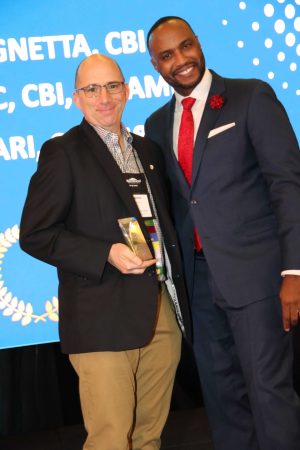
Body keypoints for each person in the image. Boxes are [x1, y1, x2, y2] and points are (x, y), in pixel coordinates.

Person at [19, 53, 191, 450]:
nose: (104, 97)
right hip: (100, 316)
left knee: (150, 437)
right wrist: (105, 253)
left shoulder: (148, 152)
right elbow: (36, 233)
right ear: (77, 98)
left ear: (127, 91)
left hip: (159, 309)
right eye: (91, 88)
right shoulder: (62, 152)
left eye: (112, 85)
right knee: (111, 439)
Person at [145, 16, 300, 450]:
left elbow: (287, 184)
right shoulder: (156, 125)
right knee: (222, 399)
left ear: (198, 44)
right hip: (197, 286)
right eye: (167, 55)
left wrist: (294, 270)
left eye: (186, 46)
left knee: (269, 394)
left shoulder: (250, 96)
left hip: (257, 278)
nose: (181, 60)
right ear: (156, 65)